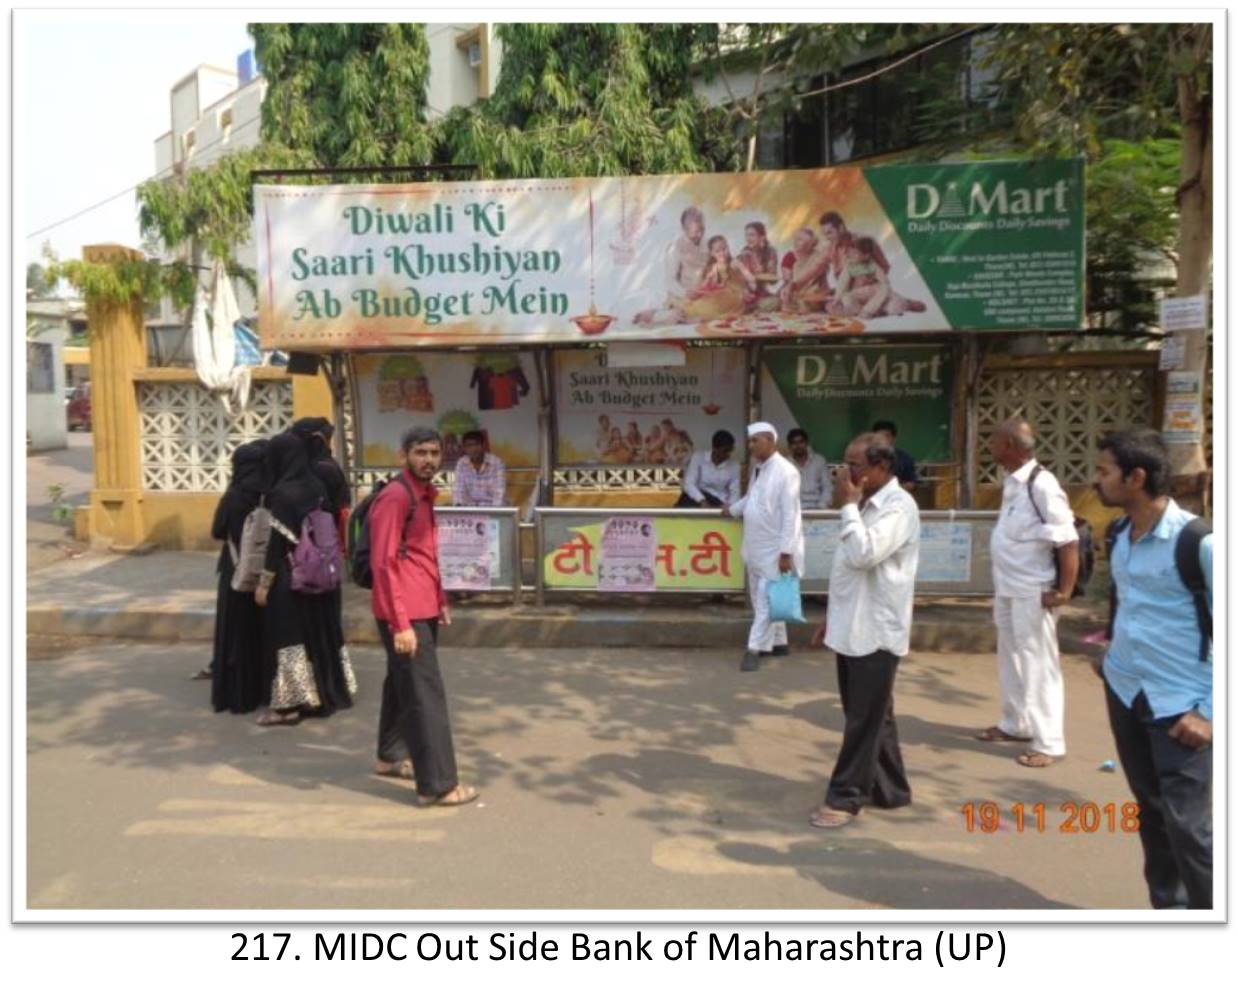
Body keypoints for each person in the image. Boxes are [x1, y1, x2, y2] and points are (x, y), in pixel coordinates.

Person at [1094, 428, 1212, 909]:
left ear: (1135, 477)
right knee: (1152, 813)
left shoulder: (1200, 543)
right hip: (1127, 690)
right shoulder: (1119, 533)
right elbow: (1127, 606)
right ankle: (1170, 912)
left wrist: (1210, 712)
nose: (1096, 479)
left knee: (1190, 827)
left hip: (1183, 705)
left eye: (1104, 471)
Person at [809, 432, 919, 829]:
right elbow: (850, 574)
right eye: (845, 463)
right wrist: (833, 619)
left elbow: (863, 554)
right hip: (853, 626)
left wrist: (850, 508)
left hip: (876, 631)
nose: (845, 473)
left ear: (881, 467)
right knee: (874, 715)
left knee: (864, 721)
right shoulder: (869, 504)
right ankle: (891, 789)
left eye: (854, 465)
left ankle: (845, 797)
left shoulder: (898, 508)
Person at [369, 426, 479, 806]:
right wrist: (401, 624)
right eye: (421, 452)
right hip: (404, 612)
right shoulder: (396, 498)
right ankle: (438, 785)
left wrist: (440, 599)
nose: (429, 459)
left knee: (402, 684)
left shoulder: (423, 495)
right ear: (404, 455)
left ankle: (389, 755)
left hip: (422, 604)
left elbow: (423, 555)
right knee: (424, 695)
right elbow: (383, 563)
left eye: (434, 453)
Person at [978, 418, 1079, 767]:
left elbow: (1068, 541)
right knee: (1011, 655)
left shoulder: (1042, 485)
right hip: (1007, 586)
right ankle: (1015, 723)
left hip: (1032, 590)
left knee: (1038, 662)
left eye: (993, 441)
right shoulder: (1013, 483)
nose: (989, 447)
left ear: (1008, 445)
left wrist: (1064, 592)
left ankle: (1049, 742)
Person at [254, 432, 356, 727]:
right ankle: (326, 693)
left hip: (292, 577)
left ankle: (289, 706)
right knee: (319, 636)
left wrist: (264, 584)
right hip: (321, 574)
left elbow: (276, 546)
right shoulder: (317, 485)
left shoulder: (282, 494)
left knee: (289, 639)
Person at [722, 422, 803, 672]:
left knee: (765, 599)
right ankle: (779, 643)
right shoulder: (760, 469)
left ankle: (754, 648)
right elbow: (752, 498)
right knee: (763, 598)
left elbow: (791, 515)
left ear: (770, 440)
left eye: (755, 440)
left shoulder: (786, 472)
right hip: (756, 546)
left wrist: (786, 552)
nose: (751, 445)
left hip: (775, 549)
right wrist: (733, 510)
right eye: (750, 441)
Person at [208, 440, 269, 714]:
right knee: (260, 632)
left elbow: (218, 530)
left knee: (235, 632)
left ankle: (236, 694)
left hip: (235, 570)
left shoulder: (234, 496)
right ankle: (262, 690)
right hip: (265, 571)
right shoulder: (270, 493)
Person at [676, 430, 741, 508]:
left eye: (731, 450)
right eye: (725, 451)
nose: (728, 454)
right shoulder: (698, 458)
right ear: (714, 448)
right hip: (697, 498)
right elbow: (689, 484)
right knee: (685, 499)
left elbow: (735, 491)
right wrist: (702, 501)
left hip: (719, 502)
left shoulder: (734, 466)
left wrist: (730, 507)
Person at [779, 227, 830, 312]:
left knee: (809, 300)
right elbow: (788, 280)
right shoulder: (790, 257)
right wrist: (789, 289)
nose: (795, 242)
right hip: (793, 291)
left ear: (810, 244)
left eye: (800, 240)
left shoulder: (818, 257)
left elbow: (818, 276)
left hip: (815, 291)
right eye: (795, 239)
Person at [452, 430, 507, 507]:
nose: (474, 449)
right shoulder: (461, 463)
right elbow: (458, 491)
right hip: (470, 511)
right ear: (464, 448)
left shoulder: (496, 463)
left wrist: (493, 515)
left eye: (476, 444)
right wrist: (459, 509)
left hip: (493, 510)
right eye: (469, 445)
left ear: (483, 445)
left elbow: (499, 493)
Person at [735, 221, 780, 311]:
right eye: (747, 235)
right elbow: (738, 280)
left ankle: (753, 308)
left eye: (752, 235)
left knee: (776, 302)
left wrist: (765, 272)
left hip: (761, 294)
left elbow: (773, 281)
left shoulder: (770, 252)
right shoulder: (744, 254)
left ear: (762, 237)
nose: (748, 239)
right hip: (745, 293)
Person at [786, 427, 832, 510]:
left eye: (801, 442)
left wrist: (822, 506)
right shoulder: (785, 464)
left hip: (818, 507)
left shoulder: (819, 461)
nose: (798, 446)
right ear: (789, 446)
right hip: (794, 509)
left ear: (807, 443)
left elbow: (827, 487)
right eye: (794, 443)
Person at [871, 421, 918, 490]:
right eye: (879, 436)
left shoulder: (905, 458)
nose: (882, 439)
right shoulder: (866, 457)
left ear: (894, 438)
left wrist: (890, 490)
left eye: (886, 436)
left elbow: (911, 484)